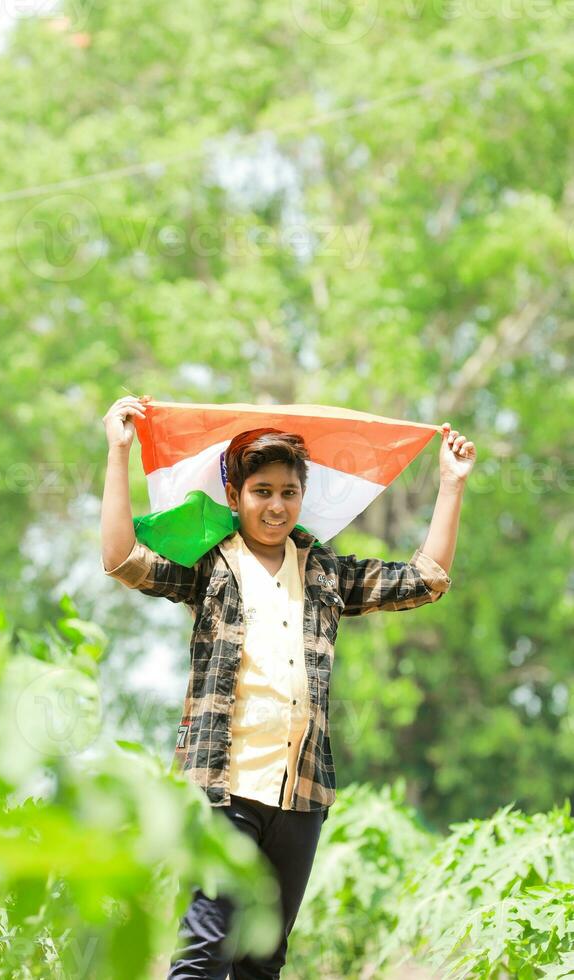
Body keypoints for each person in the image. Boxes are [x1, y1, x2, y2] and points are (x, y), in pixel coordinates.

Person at [100, 394, 477, 979]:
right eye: (262, 492)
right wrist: (117, 452)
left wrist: (450, 484)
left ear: (302, 499)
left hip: (300, 795)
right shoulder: (210, 565)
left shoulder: (324, 570)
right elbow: (122, 557)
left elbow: (425, 579)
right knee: (203, 952)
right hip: (223, 788)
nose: (276, 506)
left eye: (288, 492)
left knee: (263, 961)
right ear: (235, 497)